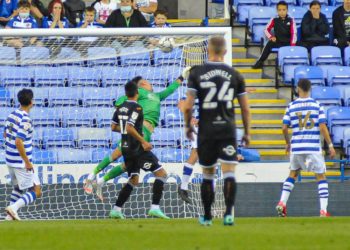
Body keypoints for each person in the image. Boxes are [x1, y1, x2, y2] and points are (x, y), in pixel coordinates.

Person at [84, 73, 187, 201]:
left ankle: (101, 180)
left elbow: (171, 89)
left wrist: (182, 77)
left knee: (129, 164)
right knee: (117, 154)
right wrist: (122, 110)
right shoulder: (142, 92)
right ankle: (91, 176)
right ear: (143, 84)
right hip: (139, 130)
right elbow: (121, 101)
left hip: (146, 134)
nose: (150, 84)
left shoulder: (157, 96)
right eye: (148, 82)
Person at [182, 36, 251, 226]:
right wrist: (247, 132)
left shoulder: (197, 73)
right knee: (229, 172)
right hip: (228, 130)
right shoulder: (236, 75)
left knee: (208, 174)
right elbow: (245, 108)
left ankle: (207, 216)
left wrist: (188, 126)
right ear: (225, 51)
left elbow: (188, 106)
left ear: (208, 51)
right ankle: (229, 214)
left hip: (206, 130)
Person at [109, 80, 169, 219]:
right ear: (137, 93)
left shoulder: (120, 107)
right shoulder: (137, 108)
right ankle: (155, 208)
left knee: (134, 179)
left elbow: (113, 127)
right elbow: (130, 127)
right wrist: (143, 141)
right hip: (137, 147)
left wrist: (128, 132)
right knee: (162, 174)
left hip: (125, 147)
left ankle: (116, 210)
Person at [276, 79, 336, 218]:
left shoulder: (291, 106)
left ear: (298, 88)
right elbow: (322, 126)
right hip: (313, 147)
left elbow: (284, 127)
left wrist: (287, 143)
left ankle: (282, 203)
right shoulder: (316, 105)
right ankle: (323, 211)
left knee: (293, 174)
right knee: (320, 176)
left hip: (296, 147)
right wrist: (331, 145)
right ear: (310, 89)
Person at [4, 89, 42, 221]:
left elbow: (5, 134)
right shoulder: (26, 119)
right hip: (21, 162)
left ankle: (9, 218)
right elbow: (18, 141)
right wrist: (27, 161)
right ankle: (13, 208)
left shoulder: (12, 115)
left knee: (18, 188)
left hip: (9, 160)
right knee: (36, 190)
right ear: (31, 102)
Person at [252, 1, 297, 69]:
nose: (282, 12)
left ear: (287, 10)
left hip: (288, 42)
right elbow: (266, 29)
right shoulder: (274, 19)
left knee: (298, 46)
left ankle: (292, 64)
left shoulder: (291, 20)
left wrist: (292, 45)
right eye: (279, 10)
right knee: (269, 43)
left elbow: (294, 33)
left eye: (284, 10)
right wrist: (271, 37)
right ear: (277, 11)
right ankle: (260, 61)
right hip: (278, 41)